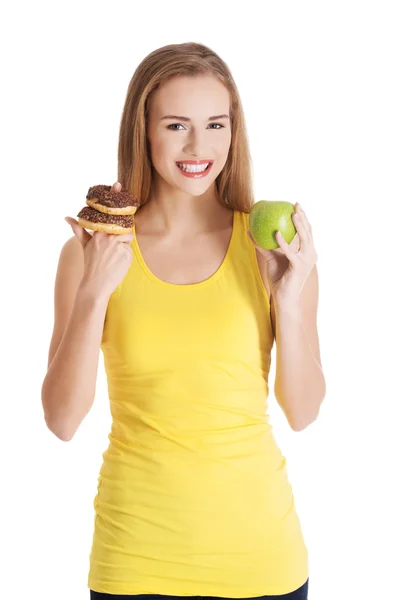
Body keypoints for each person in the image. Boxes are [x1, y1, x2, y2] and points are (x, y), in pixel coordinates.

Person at [42, 42, 326, 600]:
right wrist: (94, 292)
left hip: (262, 562)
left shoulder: (271, 245)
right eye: (176, 125)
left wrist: (287, 303)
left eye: (215, 124)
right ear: (143, 132)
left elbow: (304, 412)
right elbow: (61, 419)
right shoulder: (92, 251)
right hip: (134, 561)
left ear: (232, 133)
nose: (198, 146)